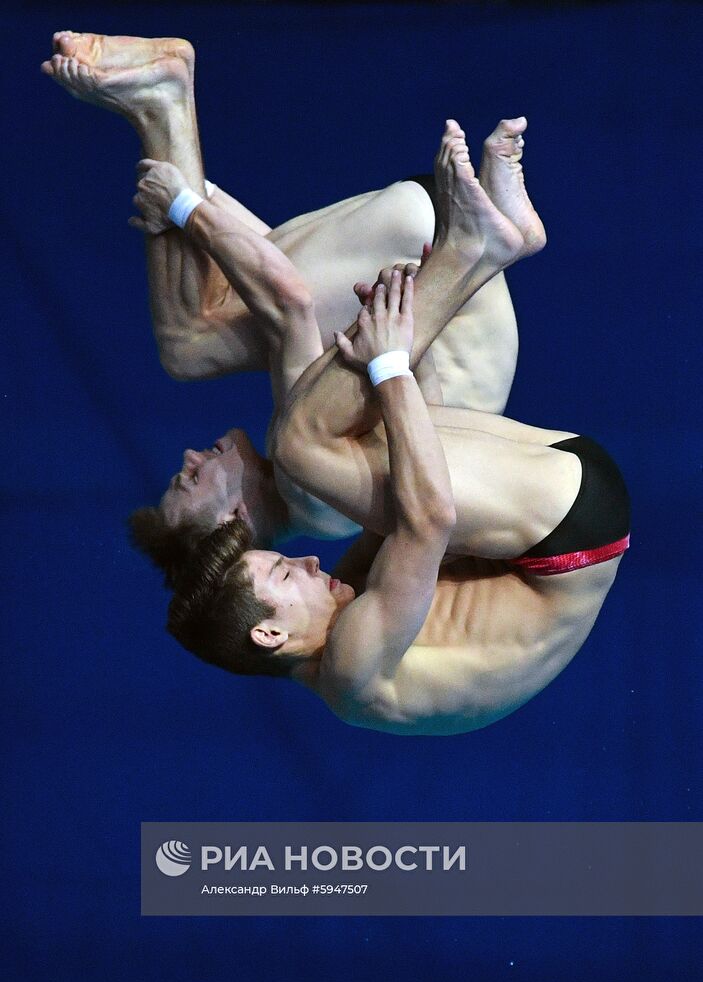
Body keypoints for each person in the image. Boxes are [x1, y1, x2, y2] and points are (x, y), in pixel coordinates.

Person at [162, 127, 630, 735]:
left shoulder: (345, 604)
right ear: (270, 633)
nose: (307, 560)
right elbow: (430, 519)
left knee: (315, 433)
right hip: (562, 538)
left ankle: (485, 246)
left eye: (286, 562)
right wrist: (388, 367)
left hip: (562, 505)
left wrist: (386, 367)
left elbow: (415, 480)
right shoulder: (352, 667)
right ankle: (475, 248)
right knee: (301, 445)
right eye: (284, 575)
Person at [41, 31, 541, 583]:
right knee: (187, 344)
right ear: (234, 518)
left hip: (439, 259)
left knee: (220, 309)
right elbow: (291, 301)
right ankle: (163, 103)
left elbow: (269, 280)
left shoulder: (324, 510)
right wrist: (182, 204)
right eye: (189, 482)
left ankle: (163, 112)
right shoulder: (311, 483)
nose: (187, 459)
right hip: (441, 254)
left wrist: (189, 197)